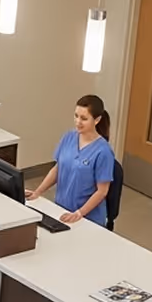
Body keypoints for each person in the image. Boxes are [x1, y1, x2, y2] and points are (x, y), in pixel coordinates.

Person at [26, 94, 116, 226]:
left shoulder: (103, 151)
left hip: (87, 218)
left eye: (84, 118)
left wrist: (80, 213)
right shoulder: (68, 137)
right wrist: (38, 192)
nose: (78, 122)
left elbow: (102, 191)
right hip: (62, 210)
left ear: (97, 120)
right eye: (76, 116)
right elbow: (57, 169)